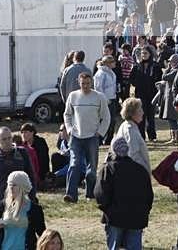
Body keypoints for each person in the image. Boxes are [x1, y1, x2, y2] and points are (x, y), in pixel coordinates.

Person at [95, 136, 154, 250]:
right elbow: (148, 196)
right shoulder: (140, 170)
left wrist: (108, 210)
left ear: (113, 151)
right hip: (137, 218)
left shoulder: (108, 169)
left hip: (115, 218)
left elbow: (100, 194)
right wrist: (144, 211)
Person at [63, 73, 111, 203]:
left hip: (92, 137)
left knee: (91, 169)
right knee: (74, 165)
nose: (85, 86)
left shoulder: (99, 97)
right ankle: (71, 195)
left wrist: (100, 132)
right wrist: (69, 129)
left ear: (92, 83)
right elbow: (67, 115)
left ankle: (90, 193)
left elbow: (106, 117)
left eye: (88, 83)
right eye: (83, 83)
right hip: (76, 137)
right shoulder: (73, 96)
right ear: (79, 83)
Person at [0, 127, 37, 220]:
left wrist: (32, 197)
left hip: (21, 202)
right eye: (4, 139)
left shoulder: (22, 153)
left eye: (9, 138)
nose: (7, 141)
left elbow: (31, 176)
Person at [0, 171, 46, 250]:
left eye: (14, 185)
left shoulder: (35, 209)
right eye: (10, 184)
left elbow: (43, 234)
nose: (11, 187)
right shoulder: (3, 204)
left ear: (23, 186)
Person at [131, 46, 161, 142]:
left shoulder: (155, 66)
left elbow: (159, 78)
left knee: (150, 116)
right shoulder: (137, 66)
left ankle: (152, 136)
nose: (143, 55)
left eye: (145, 53)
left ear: (150, 54)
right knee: (141, 115)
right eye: (142, 53)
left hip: (152, 94)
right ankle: (141, 136)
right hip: (140, 94)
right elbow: (132, 79)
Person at [113, 97, 151, 173]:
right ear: (132, 113)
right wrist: (144, 171)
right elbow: (133, 155)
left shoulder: (128, 125)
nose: (143, 113)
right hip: (136, 173)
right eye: (140, 110)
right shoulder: (130, 130)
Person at [94, 55, 119, 146]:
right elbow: (98, 88)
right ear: (107, 63)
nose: (114, 63)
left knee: (112, 120)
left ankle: (109, 139)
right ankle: (100, 139)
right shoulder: (100, 74)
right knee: (103, 120)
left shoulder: (111, 72)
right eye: (112, 61)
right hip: (105, 101)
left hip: (112, 99)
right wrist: (104, 100)